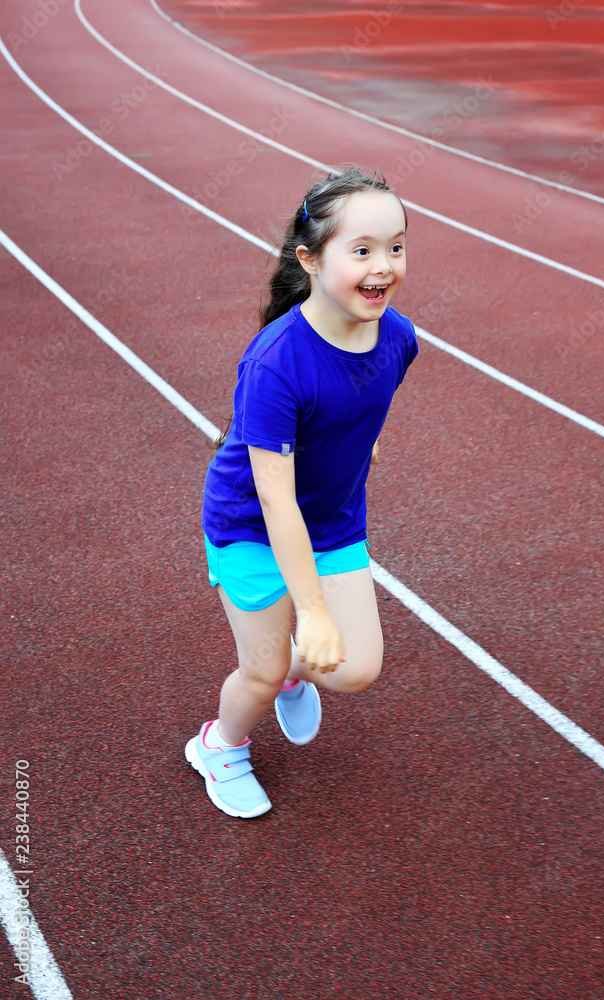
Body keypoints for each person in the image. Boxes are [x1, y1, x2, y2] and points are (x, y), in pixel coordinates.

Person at [185, 166, 419, 818]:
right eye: (362, 249)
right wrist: (311, 611)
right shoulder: (276, 363)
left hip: (335, 519)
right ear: (310, 260)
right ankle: (220, 745)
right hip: (252, 523)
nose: (383, 266)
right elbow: (275, 500)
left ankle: (288, 668)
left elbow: (365, 399)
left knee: (355, 669)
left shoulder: (397, 337)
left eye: (395, 247)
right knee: (257, 673)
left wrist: (359, 444)